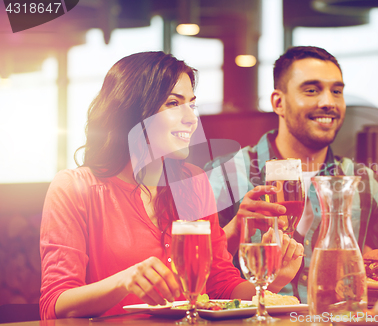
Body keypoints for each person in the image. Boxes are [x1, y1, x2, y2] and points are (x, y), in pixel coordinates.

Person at [39, 52, 304, 320]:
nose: (191, 118)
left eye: (191, 104)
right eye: (173, 103)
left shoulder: (194, 183)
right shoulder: (74, 188)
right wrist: (123, 281)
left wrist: (274, 280)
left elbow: (220, 286)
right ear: (131, 111)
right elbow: (55, 304)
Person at [204, 46, 378, 302]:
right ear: (279, 102)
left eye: (337, 91)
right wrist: (234, 230)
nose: (328, 102)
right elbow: (199, 272)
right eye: (311, 90)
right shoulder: (226, 174)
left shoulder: (361, 179)